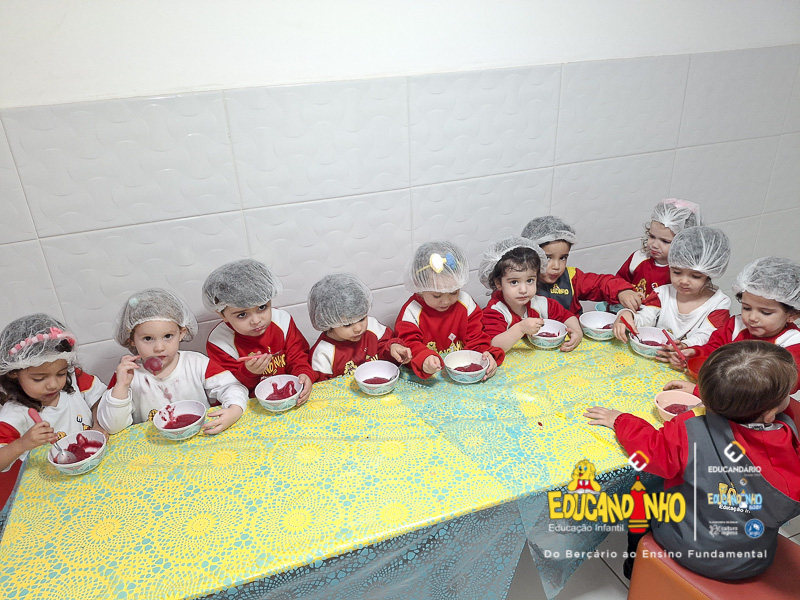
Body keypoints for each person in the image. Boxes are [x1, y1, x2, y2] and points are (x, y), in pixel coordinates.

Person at [585, 341, 800, 580]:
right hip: (752, 558)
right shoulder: (785, 433)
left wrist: (621, 420)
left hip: (690, 551)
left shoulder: (690, 428)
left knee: (643, 501)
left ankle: (634, 568)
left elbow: (652, 452)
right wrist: (703, 393)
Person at [97, 289, 248, 435]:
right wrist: (121, 387)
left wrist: (234, 409)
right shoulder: (127, 376)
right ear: (131, 340)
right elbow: (113, 427)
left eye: (168, 336)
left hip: (200, 437)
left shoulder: (197, 363)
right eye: (148, 338)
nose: (159, 347)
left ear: (182, 333)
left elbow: (231, 387)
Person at [663, 256, 800, 396]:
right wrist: (695, 353)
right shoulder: (735, 325)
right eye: (747, 308)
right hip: (718, 392)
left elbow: (782, 385)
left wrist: (699, 391)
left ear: (792, 315)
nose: (752, 318)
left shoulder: (792, 343)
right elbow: (714, 349)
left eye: (765, 312)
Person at [0, 314, 106, 474]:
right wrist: (23, 444)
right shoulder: (14, 414)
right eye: (39, 378)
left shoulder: (75, 378)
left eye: (60, 373)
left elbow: (99, 398)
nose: (53, 385)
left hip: (94, 463)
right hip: (51, 478)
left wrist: (98, 424)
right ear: (13, 372)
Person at [203, 259, 314, 404]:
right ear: (222, 315)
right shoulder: (220, 342)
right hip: (248, 404)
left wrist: (303, 374)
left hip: (289, 397)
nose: (256, 320)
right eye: (242, 314)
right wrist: (249, 373)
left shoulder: (282, 321)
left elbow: (298, 356)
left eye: (262, 307)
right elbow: (228, 389)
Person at [395, 241, 504, 380]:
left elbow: (477, 338)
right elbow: (409, 345)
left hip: (463, 373)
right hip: (431, 377)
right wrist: (424, 359)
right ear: (419, 286)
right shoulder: (411, 311)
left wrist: (486, 356)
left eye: (453, 292)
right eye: (437, 295)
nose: (446, 301)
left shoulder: (465, 302)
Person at [612, 226, 731, 349]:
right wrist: (628, 315)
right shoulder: (662, 293)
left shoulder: (719, 303)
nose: (684, 281)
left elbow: (707, 335)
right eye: (677, 272)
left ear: (710, 274)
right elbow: (645, 318)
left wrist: (685, 345)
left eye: (695, 276)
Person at [478, 236, 582, 352]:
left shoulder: (540, 303)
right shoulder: (494, 312)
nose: (523, 290)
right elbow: (494, 345)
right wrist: (521, 328)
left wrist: (577, 331)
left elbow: (566, 316)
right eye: (514, 282)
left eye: (529, 280)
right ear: (498, 283)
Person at [520, 216, 641, 315]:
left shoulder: (573, 278)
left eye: (563, 258)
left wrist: (622, 291)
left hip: (573, 335)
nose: (556, 266)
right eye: (548, 258)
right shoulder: (519, 282)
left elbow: (600, 284)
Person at [308, 273, 412, 380]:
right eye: (347, 324)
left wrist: (393, 348)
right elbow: (322, 387)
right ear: (330, 321)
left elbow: (385, 348)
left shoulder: (372, 326)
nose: (358, 328)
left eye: (362, 318)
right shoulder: (323, 353)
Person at [617, 198, 702, 298]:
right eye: (652, 236)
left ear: (685, 243)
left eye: (665, 241)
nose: (654, 245)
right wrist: (623, 293)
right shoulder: (638, 258)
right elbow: (618, 282)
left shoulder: (683, 272)